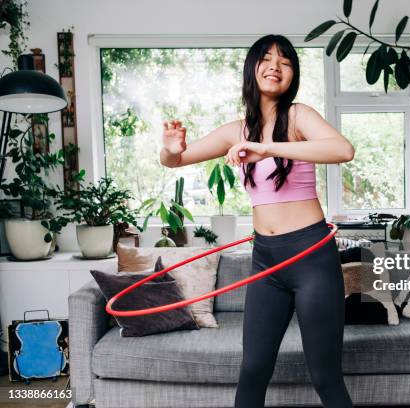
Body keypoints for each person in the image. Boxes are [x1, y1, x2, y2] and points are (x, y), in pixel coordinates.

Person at [160, 34, 355, 408]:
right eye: (266, 58)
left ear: (292, 74)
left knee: (325, 376)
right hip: (266, 259)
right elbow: (176, 161)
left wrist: (266, 147)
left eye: (285, 61)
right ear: (253, 68)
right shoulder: (236, 130)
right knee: (252, 370)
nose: (275, 66)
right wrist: (169, 150)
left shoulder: (299, 116)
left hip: (310, 257)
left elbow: (342, 150)